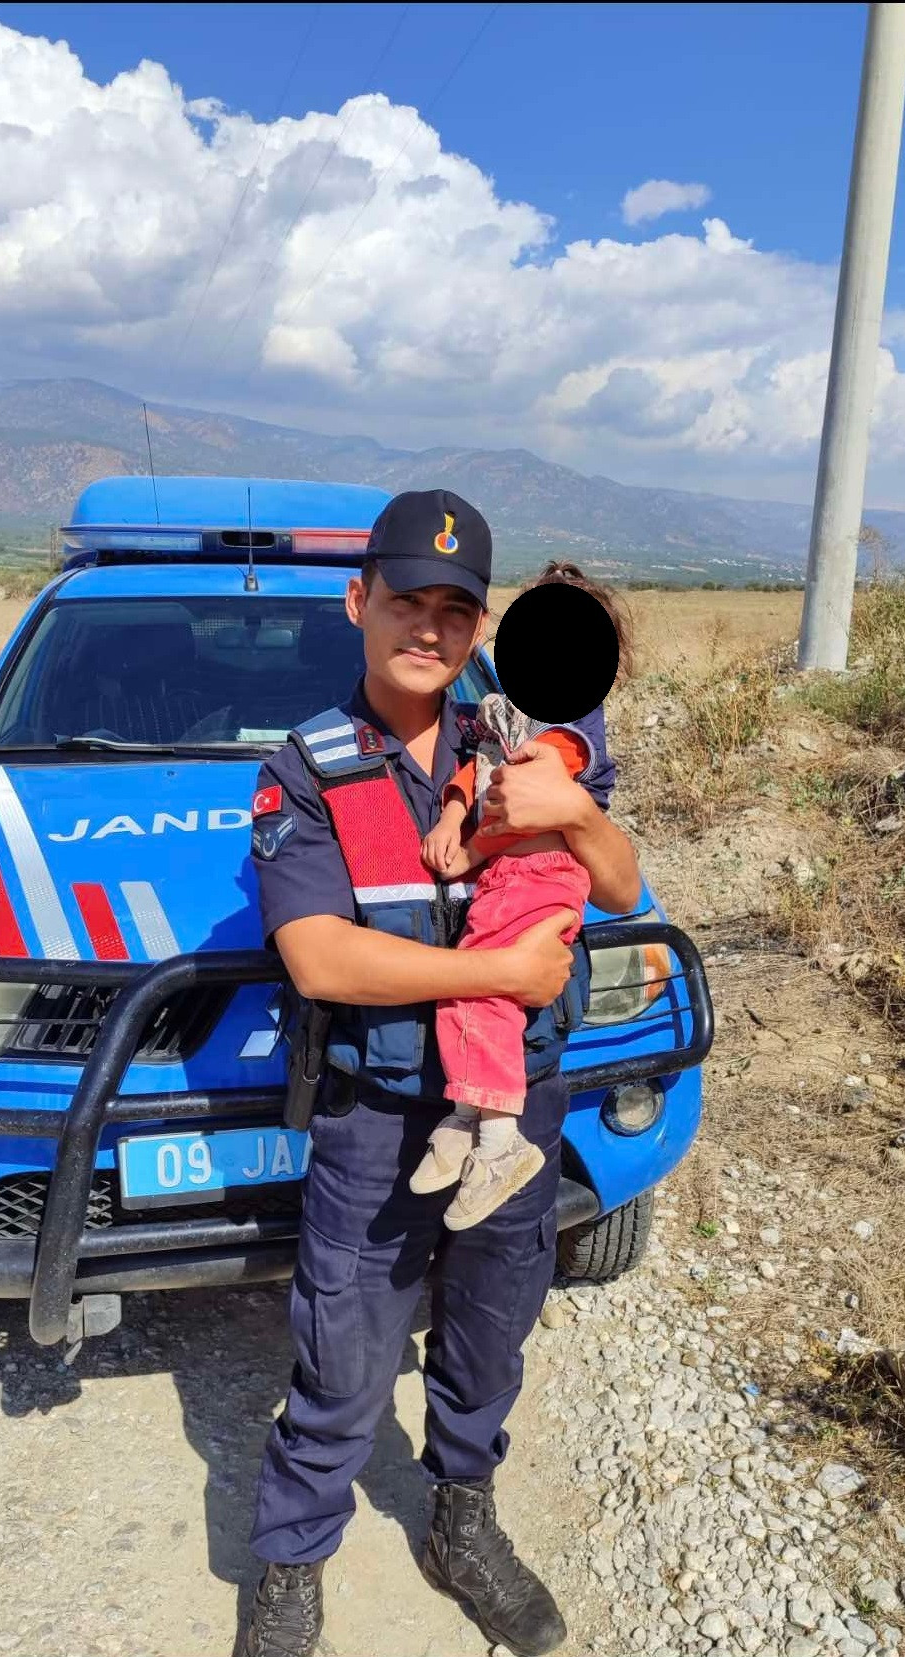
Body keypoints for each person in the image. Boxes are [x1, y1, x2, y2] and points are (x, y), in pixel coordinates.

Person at [236, 490, 641, 1657]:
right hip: (379, 1117)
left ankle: (461, 1524)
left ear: (480, 626)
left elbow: (619, 884)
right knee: (345, 1354)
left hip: (521, 1106)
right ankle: (290, 1562)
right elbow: (321, 958)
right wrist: (500, 970)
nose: (430, 627)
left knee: (490, 1333)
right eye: (407, 600)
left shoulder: (516, 737)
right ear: (358, 601)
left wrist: (575, 816)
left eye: (455, 610)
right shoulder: (307, 769)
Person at [412, 571, 634, 1232]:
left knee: (485, 991)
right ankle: (466, 1117)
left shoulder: (568, 726)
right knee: (468, 989)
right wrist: (452, 816)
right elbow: (475, 773)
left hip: (540, 874)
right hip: (509, 876)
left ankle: (500, 1139)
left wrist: (470, 849)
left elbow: (525, 798)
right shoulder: (503, 713)